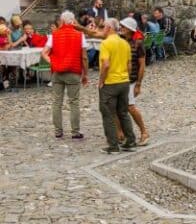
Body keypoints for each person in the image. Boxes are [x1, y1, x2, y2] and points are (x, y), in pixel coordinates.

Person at [41, 11, 88, 139]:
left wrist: (53, 62)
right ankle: (75, 132)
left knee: (57, 102)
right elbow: (84, 57)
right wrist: (85, 74)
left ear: (61, 21)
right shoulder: (80, 35)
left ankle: (58, 131)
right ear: (73, 21)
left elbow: (44, 52)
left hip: (57, 72)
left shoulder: (54, 35)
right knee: (74, 102)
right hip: (73, 71)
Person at [98, 18, 136, 153]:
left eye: (103, 27)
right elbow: (129, 65)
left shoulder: (106, 44)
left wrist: (101, 80)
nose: (102, 29)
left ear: (109, 28)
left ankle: (113, 145)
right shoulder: (125, 43)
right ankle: (130, 141)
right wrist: (126, 77)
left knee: (108, 114)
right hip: (124, 81)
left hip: (110, 83)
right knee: (123, 113)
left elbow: (106, 64)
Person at [118, 17, 149, 146]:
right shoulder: (120, 42)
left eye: (124, 27)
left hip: (131, 80)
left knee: (130, 107)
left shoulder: (138, 44)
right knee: (117, 108)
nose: (121, 29)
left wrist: (138, 84)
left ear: (130, 30)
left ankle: (144, 132)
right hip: (120, 79)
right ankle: (121, 133)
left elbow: (142, 64)